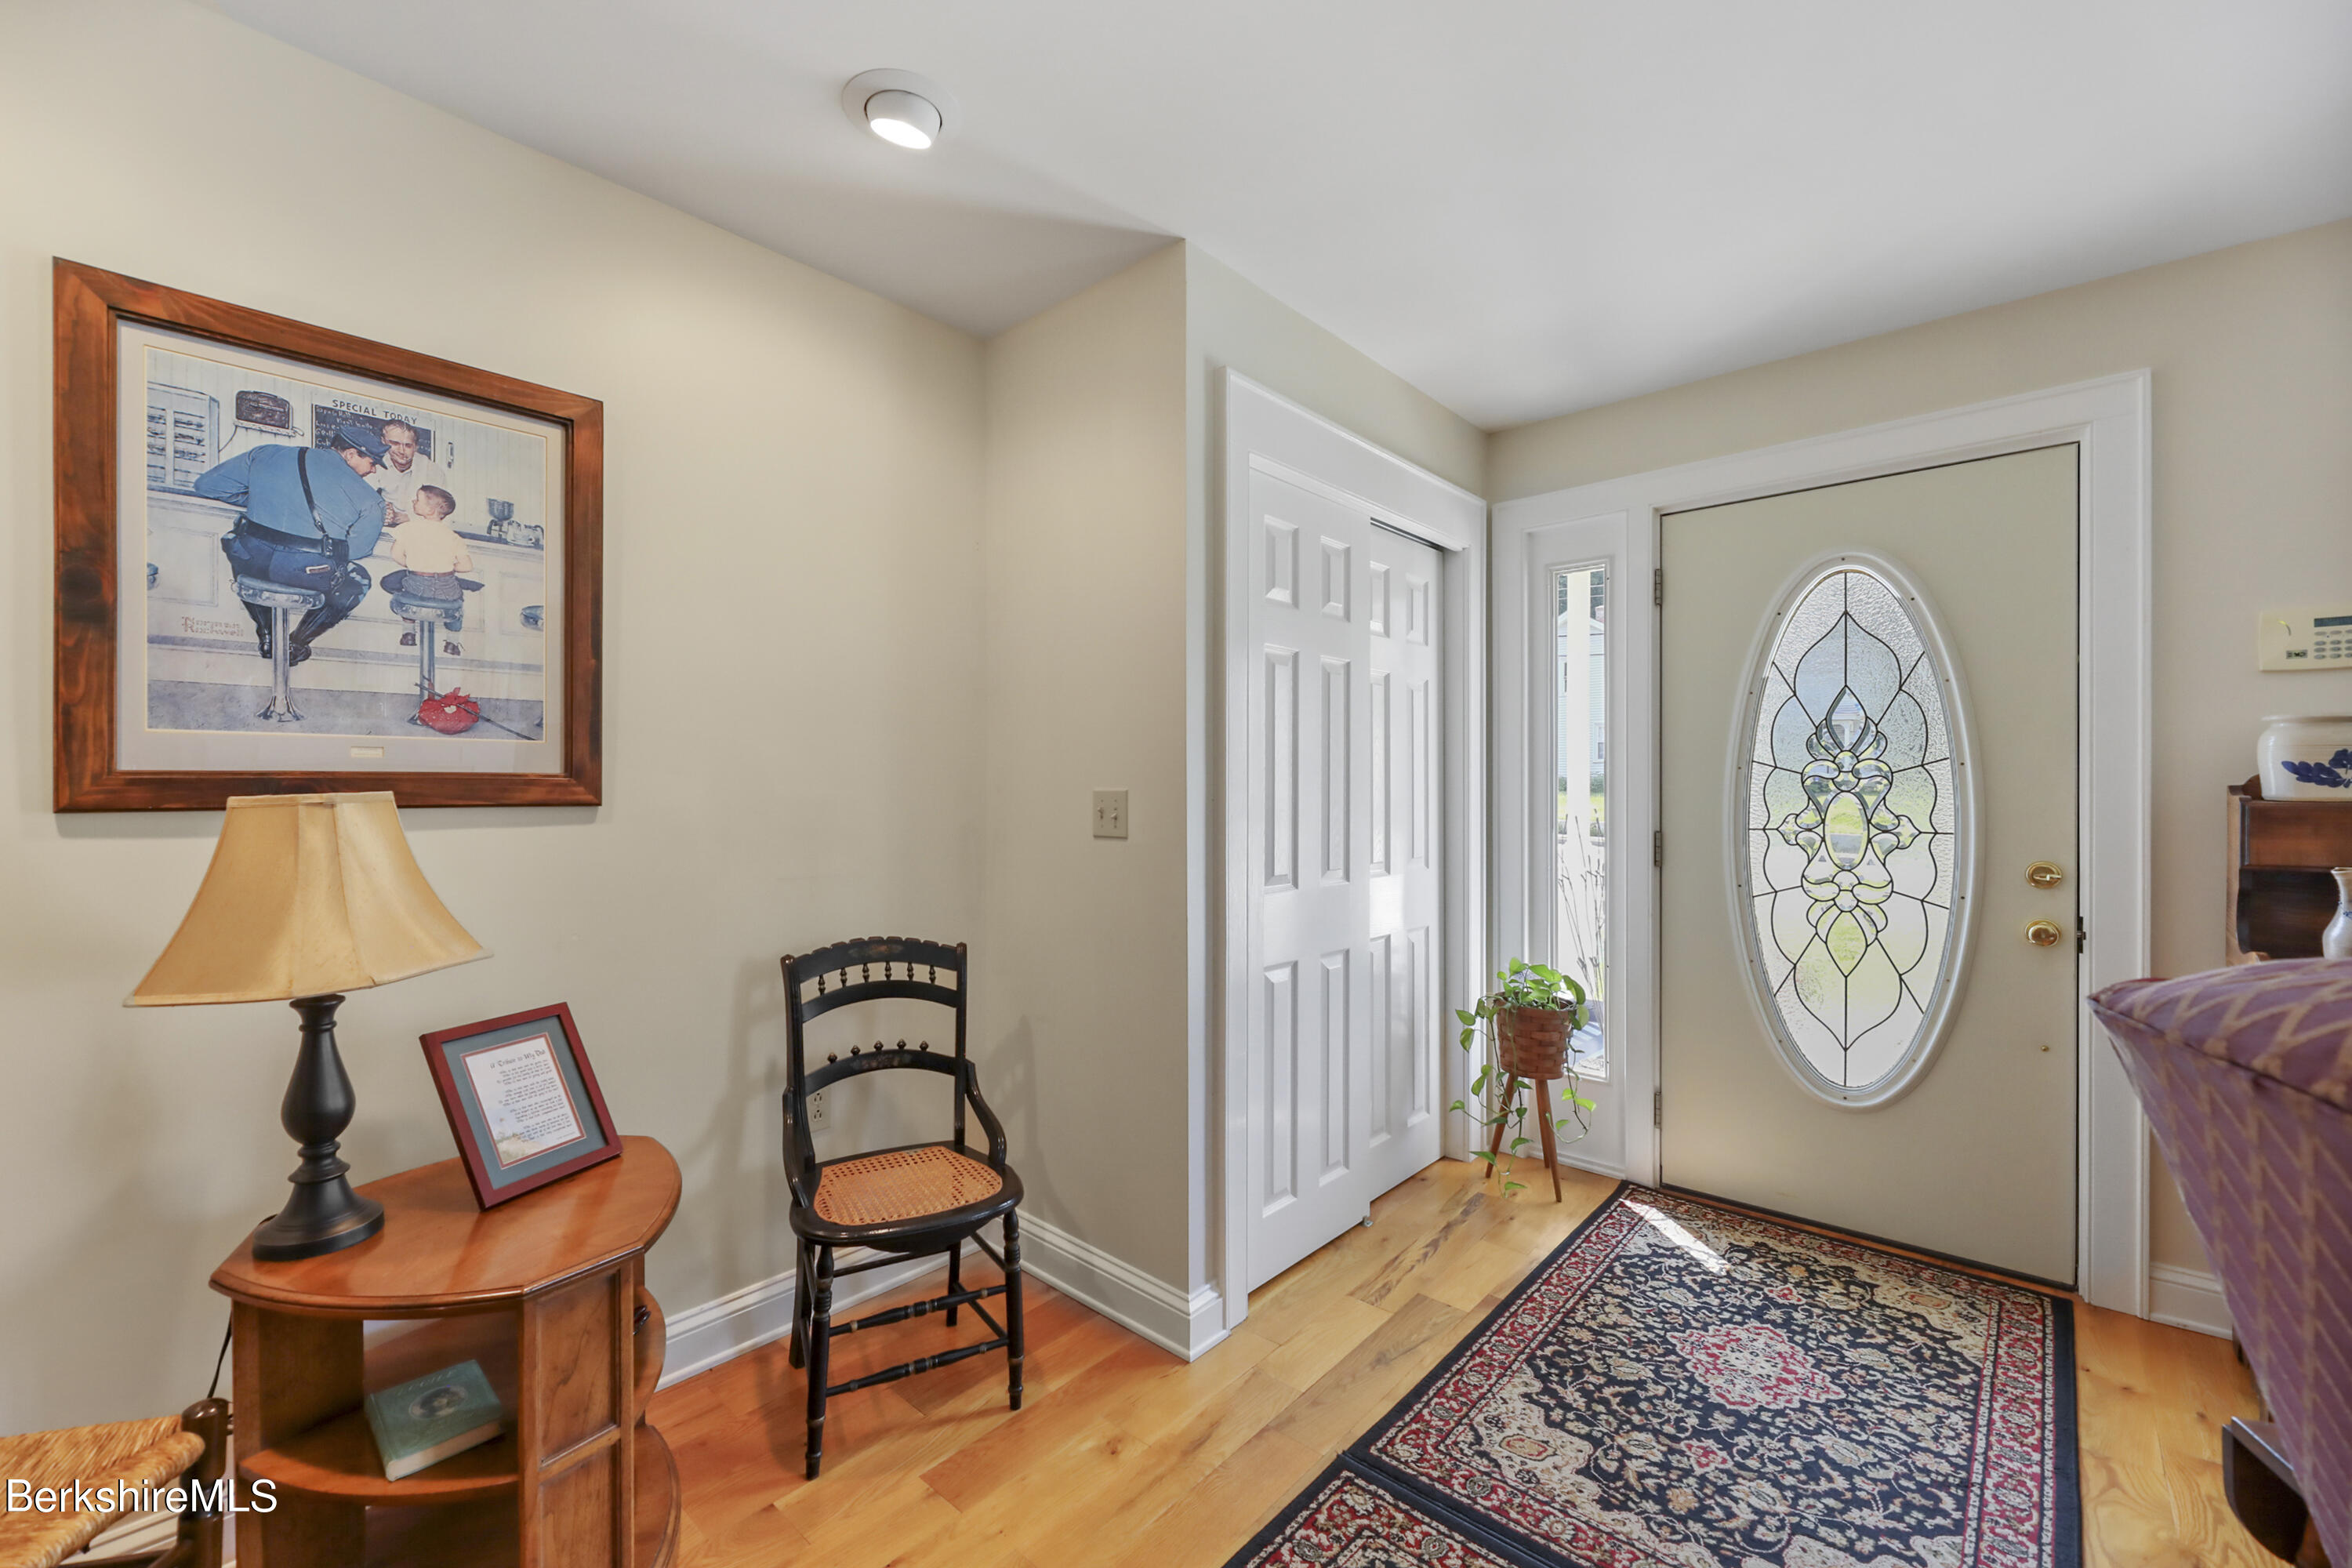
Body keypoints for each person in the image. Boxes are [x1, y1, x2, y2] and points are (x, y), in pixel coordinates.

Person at [195, 425, 389, 666]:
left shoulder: (266, 453)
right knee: (358, 580)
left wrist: (263, 500)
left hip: (251, 563)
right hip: (305, 574)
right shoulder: (372, 501)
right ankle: (296, 643)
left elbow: (206, 485)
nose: (373, 470)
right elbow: (357, 550)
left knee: (242, 546)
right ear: (350, 454)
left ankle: (267, 634)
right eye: (372, 463)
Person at [379, 484, 477, 655]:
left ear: (430, 510)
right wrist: (446, 568)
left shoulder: (408, 528)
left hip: (416, 587)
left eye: (418, 500)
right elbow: (467, 566)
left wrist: (414, 565)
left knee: (404, 589)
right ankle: (452, 642)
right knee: (458, 601)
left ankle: (409, 633)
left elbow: (396, 554)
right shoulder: (453, 537)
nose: (413, 501)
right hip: (445, 590)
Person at [371, 419, 452, 530]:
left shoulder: (432, 471)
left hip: (421, 528)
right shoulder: (373, 464)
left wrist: (405, 518)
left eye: (408, 445)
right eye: (395, 444)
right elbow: (360, 498)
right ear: (383, 442)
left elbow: (442, 515)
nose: (402, 451)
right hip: (386, 526)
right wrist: (380, 509)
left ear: (416, 447)